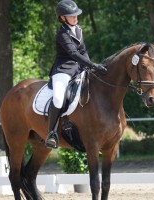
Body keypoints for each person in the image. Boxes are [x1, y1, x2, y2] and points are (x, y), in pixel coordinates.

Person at [45, 0, 107, 149]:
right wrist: (91, 65)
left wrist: (90, 66)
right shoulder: (62, 34)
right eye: (71, 16)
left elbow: (82, 51)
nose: (75, 17)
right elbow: (72, 53)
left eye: (75, 15)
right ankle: (51, 133)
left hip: (78, 68)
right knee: (59, 99)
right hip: (63, 70)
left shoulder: (78, 29)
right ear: (62, 18)